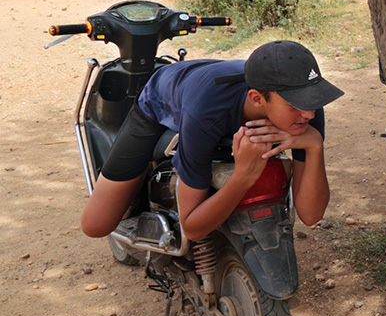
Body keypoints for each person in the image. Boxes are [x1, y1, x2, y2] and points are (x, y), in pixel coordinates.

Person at [80, 40, 344, 243]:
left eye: (313, 100)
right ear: (257, 98)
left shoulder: (305, 109)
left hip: (212, 84)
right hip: (164, 95)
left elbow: (311, 215)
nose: (309, 113)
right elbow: (193, 228)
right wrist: (243, 176)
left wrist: (314, 145)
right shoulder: (206, 112)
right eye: (296, 104)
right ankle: (142, 183)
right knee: (97, 224)